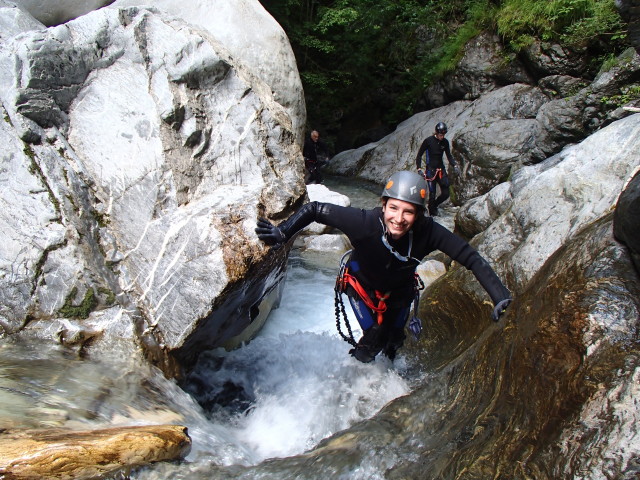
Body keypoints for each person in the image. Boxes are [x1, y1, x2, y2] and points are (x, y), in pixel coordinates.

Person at [255, 170, 512, 363]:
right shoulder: (364, 223)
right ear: (383, 205)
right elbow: (315, 209)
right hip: (362, 288)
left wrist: (499, 297)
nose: (398, 219)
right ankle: (357, 386)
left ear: (419, 215)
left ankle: (387, 383)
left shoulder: (429, 232)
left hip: (400, 294)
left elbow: (470, 257)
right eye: (393, 208)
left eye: (408, 212)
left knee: (394, 342)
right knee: (373, 339)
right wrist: (282, 232)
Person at [415, 122, 461, 216]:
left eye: (443, 135)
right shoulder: (428, 141)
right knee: (432, 193)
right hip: (430, 171)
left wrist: (455, 165)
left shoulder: (445, 142)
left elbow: (449, 156)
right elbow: (419, 155)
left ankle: (434, 205)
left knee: (446, 193)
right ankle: (431, 212)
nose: (442, 136)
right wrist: (419, 168)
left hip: (441, 170)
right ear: (436, 133)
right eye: (441, 135)